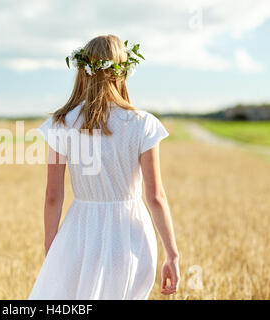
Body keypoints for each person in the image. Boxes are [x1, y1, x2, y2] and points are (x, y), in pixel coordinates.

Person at [28, 35, 180, 300]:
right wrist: (172, 254)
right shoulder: (142, 123)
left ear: (83, 69)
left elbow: (53, 196)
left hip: (80, 232)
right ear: (123, 70)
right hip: (131, 235)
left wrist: (51, 247)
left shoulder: (62, 123)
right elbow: (155, 197)